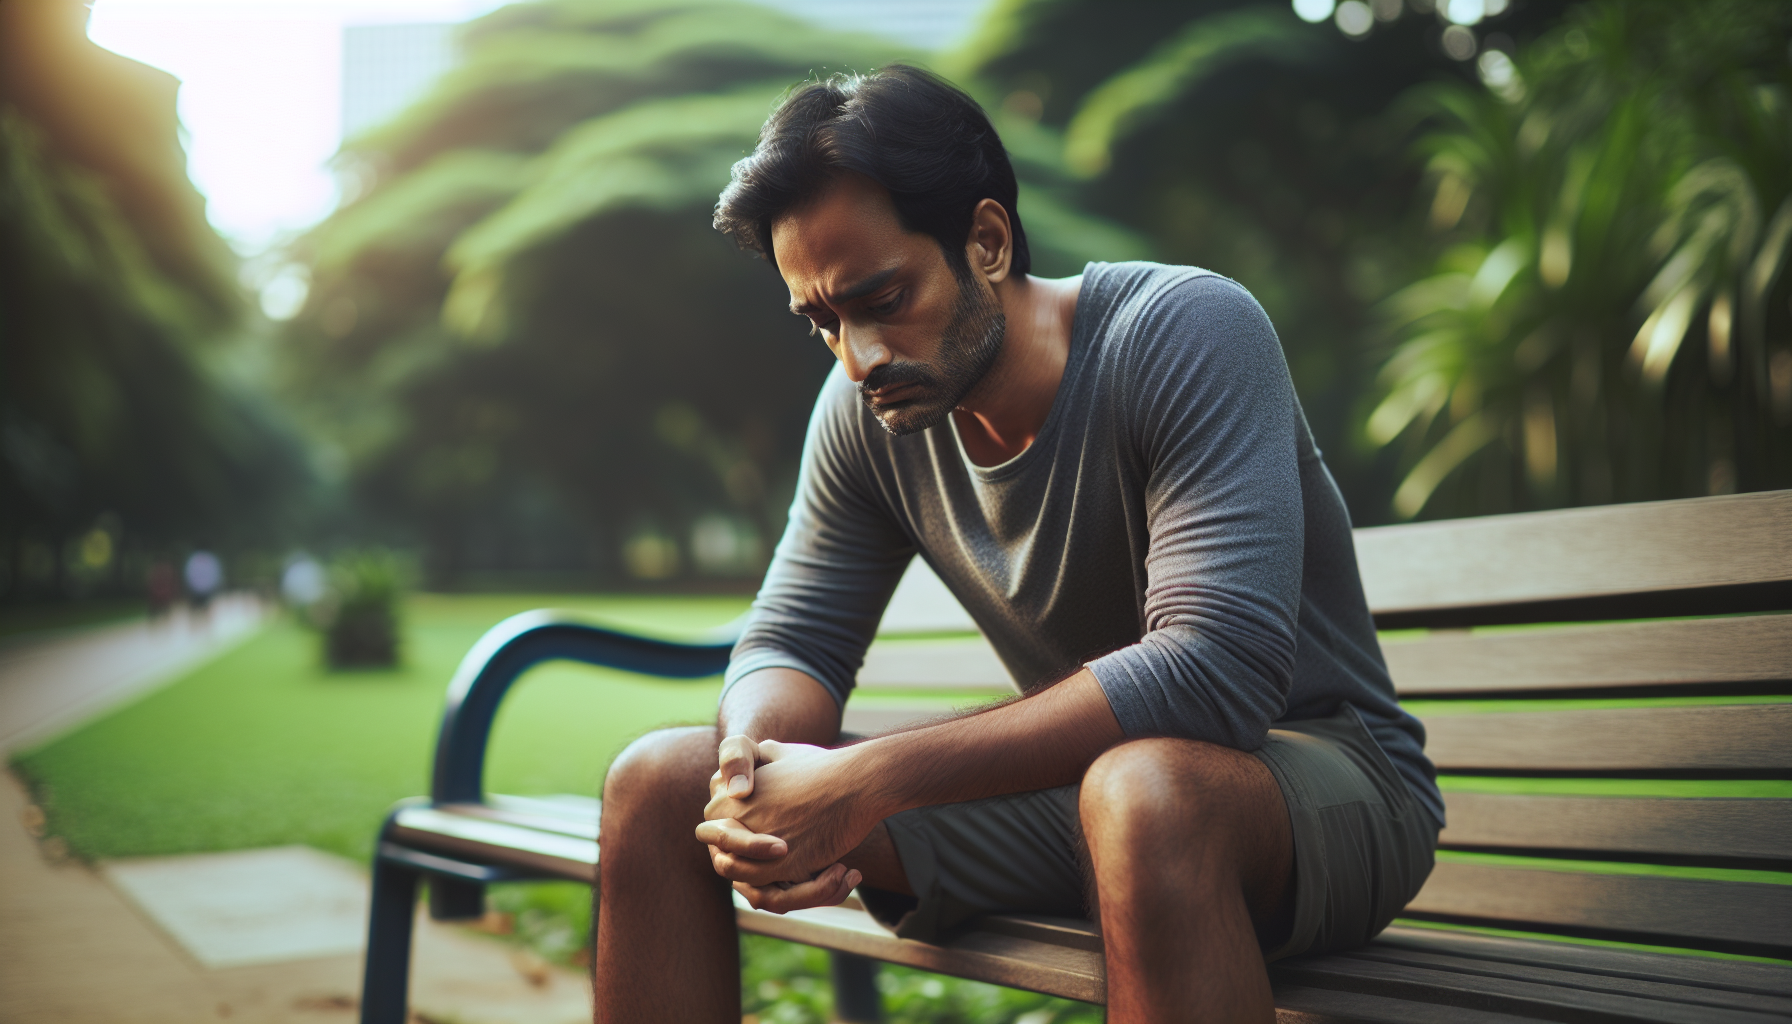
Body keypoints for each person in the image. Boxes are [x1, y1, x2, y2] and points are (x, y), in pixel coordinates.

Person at [593, 65, 1440, 1024]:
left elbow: (1216, 674)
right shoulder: (866, 411)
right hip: (1082, 796)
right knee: (662, 784)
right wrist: (751, 771)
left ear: (987, 241)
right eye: (823, 322)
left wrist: (866, 780)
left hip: (1319, 788)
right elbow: (795, 637)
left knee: (1146, 792)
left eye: (884, 297)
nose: (858, 357)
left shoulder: (1185, 331)